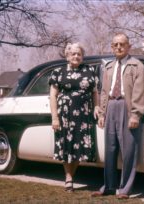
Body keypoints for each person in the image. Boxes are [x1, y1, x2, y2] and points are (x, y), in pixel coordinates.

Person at [92, 33, 144, 199]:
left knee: (128, 149)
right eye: (115, 45)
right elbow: (103, 92)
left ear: (129, 46)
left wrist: (135, 115)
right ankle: (109, 186)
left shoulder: (137, 66)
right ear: (112, 47)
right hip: (110, 106)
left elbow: (140, 92)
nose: (118, 47)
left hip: (127, 107)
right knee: (110, 148)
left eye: (122, 44)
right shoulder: (108, 67)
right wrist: (102, 113)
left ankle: (124, 189)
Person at [49, 42, 99, 192]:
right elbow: (53, 95)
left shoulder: (90, 70)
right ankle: (68, 177)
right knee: (66, 146)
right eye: (73, 54)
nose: (76, 56)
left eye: (79, 54)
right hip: (65, 114)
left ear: (82, 56)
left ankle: (71, 174)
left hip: (84, 114)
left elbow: (95, 92)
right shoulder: (58, 72)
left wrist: (96, 106)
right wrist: (55, 117)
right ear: (67, 56)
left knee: (79, 146)